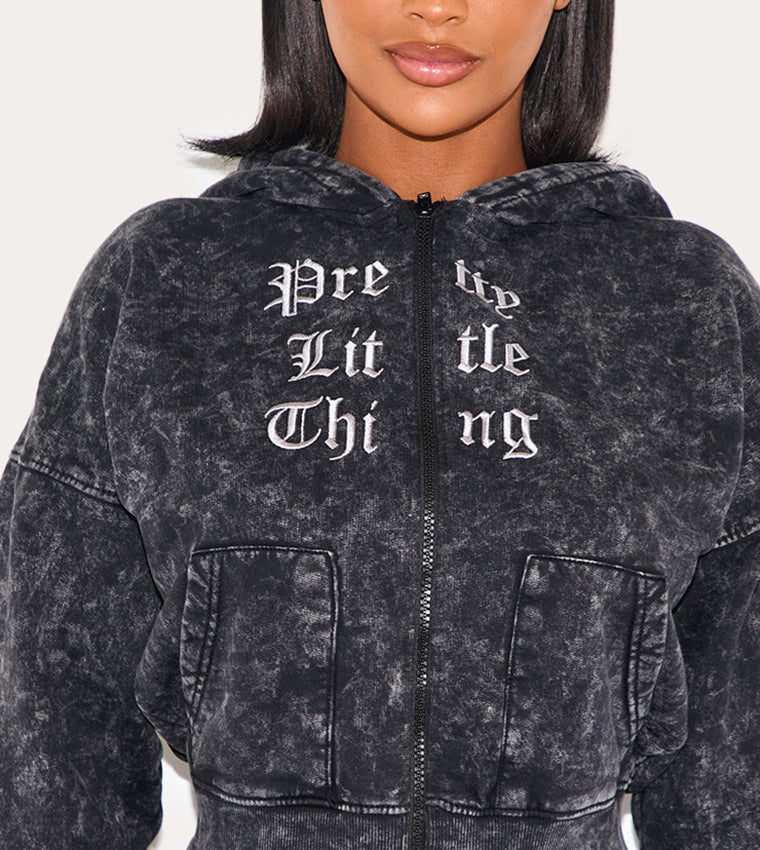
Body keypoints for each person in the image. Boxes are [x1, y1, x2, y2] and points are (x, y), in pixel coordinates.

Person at [1, 0, 758, 848]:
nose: (436, 7)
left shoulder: (682, 302)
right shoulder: (168, 280)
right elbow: (47, 750)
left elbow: (735, 791)